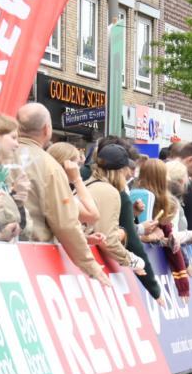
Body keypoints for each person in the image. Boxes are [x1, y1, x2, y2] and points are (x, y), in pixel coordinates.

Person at [15, 103, 108, 284]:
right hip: (36, 256)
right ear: (47, 129)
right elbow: (65, 222)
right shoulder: (50, 167)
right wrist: (90, 265)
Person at [84, 145, 151, 279]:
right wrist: (135, 261)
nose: (129, 175)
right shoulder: (110, 191)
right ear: (121, 170)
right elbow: (108, 239)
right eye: (127, 169)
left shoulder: (88, 184)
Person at [137, 158, 190, 299]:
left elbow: (167, 232)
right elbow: (129, 230)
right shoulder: (142, 197)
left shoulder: (167, 202)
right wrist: (149, 235)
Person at [46, 142, 100, 227]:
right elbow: (93, 216)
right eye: (77, 164)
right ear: (67, 165)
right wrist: (77, 179)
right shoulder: (59, 191)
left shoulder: (51, 186)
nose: (79, 168)